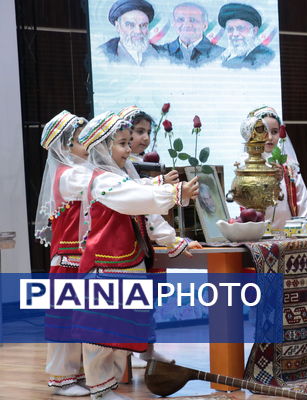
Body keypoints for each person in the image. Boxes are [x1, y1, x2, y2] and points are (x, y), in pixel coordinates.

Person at [76, 112, 199, 400]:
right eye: (121, 143)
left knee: (125, 327)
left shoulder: (121, 176)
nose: (129, 149)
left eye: (129, 142)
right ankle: (100, 389)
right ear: (103, 148)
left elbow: (145, 208)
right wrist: (174, 191)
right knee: (103, 332)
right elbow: (134, 199)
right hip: (105, 265)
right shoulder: (100, 180)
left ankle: (111, 383)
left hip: (127, 263)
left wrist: (173, 240)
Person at [35, 111, 91, 397]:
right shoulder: (69, 175)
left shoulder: (79, 171)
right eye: (82, 139)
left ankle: (75, 375)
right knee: (64, 319)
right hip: (68, 258)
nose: (89, 143)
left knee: (77, 319)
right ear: (65, 146)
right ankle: (61, 379)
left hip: (79, 257)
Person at [244, 106, 307, 229]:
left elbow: (303, 206)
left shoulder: (289, 168)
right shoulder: (248, 168)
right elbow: (246, 209)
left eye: (274, 132)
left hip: (292, 237)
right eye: (263, 131)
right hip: (260, 235)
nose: (269, 137)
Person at [160, 2, 224, 66]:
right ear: (174, 24)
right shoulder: (160, 52)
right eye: (180, 19)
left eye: (193, 20)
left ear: (205, 25)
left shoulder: (221, 54)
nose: (187, 25)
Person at [99, 0, 160, 65]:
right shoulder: (102, 54)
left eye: (143, 25)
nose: (138, 31)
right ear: (118, 26)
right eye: (130, 25)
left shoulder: (158, 53)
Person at [218, 3, 275, 69]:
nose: (235, 34)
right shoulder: (224, 57)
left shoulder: (266, 58)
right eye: (230, 29)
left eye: (240, 28)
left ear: (254, 31)